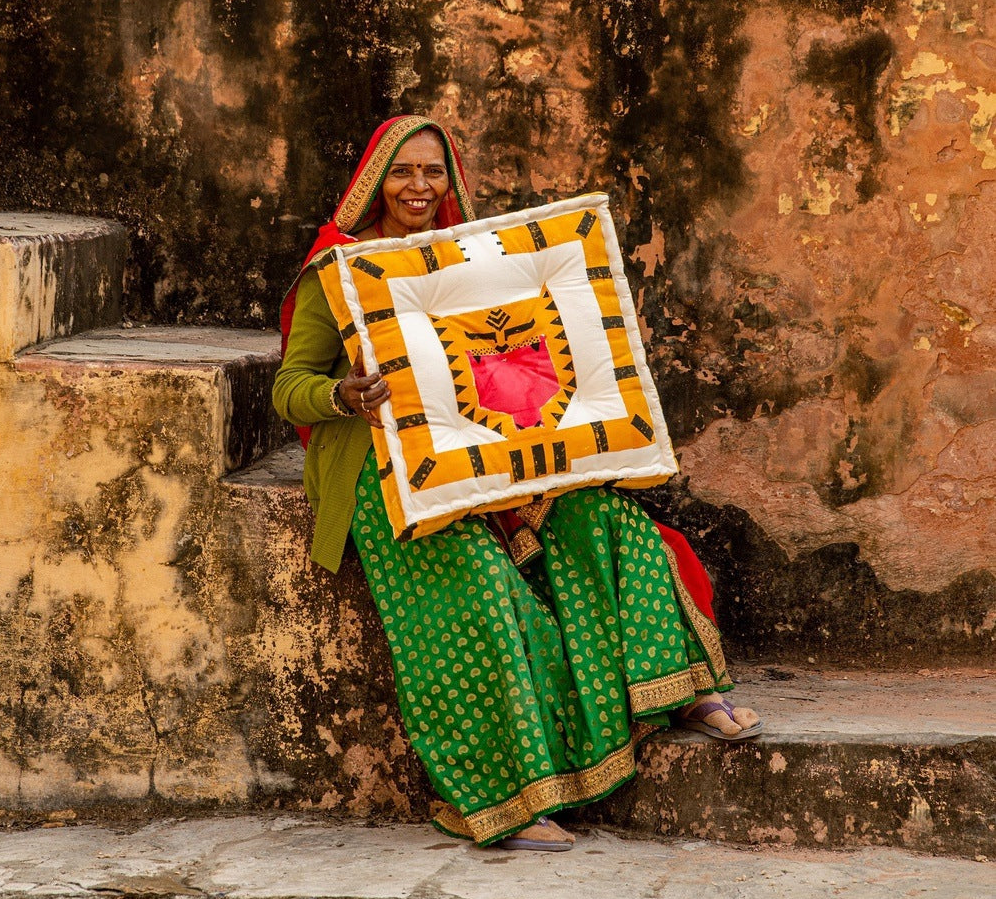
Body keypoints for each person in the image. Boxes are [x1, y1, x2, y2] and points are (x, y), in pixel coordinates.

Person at [273, 115, 760, 852]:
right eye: (403, 172)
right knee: (483, 597)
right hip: (390, 475)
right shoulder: (340, 271)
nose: (418, 187)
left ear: (452, 180)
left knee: (610, 522)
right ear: (375, 180)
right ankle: (497, 799)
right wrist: (342, 396)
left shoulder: (472, 262)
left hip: (498, 457)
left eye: (433, 172)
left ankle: (681, 691)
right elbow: (289, 387)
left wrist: (539, 462)